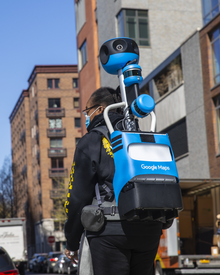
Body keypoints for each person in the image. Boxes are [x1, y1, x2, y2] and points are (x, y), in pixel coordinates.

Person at [64, 87, 163, 275]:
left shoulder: (92, 141)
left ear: (100, 109)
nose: (87, 116)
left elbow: (77, 197)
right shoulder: (141, 136)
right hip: (149, 229)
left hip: (110, 231)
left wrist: (71, 241)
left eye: (87, 111)